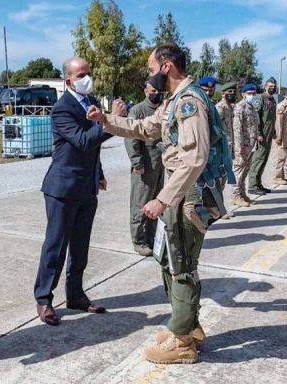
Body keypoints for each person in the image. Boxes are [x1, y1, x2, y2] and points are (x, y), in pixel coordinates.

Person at [87, 43, 234, 365]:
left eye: (152, 69)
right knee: (169, 259)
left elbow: (195, 159)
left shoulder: (189, 102)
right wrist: (106, 120)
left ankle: (182, 342)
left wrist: (162, 198)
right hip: (179, 191)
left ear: (166, 66)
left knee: (180, 264)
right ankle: (187, 326)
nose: (150, 76)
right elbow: (144, 128)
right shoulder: (174, 101)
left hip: (188, 196)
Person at [34, 57, 113, 327]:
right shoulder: (62, 109)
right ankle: (44, 298)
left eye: (89, 73)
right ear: (68, 80)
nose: (87, 78)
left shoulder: (92, 103)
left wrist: (98, 173)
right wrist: (110, 123)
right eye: (82, 74)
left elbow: (94, 148)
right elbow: (82, 140)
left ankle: (75, 294)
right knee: (56, 247)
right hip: (62, 189)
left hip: (86, 187)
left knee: (80, 247)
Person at [125, 81, 165, 256]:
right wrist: (137, 162)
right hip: (145, 164)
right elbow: (131, 137)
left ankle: (151, 238)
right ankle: (139, 240)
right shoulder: (138, 110)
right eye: (153, 90)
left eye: (159, 90)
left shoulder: (163, 109)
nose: (157, 93)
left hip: (161, 163)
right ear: (146, 91)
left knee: (156, 202)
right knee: (140, 203)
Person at [248, 77, 277, 196]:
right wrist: (259, 134)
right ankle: (252, 185)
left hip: (269, 134)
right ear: (265, 87)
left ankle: (259, 184)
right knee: (258, 159)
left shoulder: (272, 100)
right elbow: (256, 118)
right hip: (262, 136)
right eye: (270, 86)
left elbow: (271, 118)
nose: (272, 88)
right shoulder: (260, 98)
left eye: (274, 87)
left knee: (264, 160)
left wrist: (274, 131)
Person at [231, 84, 260, 206]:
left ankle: (242, 194)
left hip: (251, 144)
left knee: (245, 170)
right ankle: (235, 195)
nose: (252, 96)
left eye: (253, 93)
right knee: (239, 170)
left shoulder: (251, 107)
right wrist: (239, 146)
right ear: (243, 94)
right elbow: (237, 128)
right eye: (249, 93)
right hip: (243, 145)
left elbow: (254, 126)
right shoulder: (240, 107)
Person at [216, 81, 240, 215]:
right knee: (219, 179)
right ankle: (218, 209)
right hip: (221, 149)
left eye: (233, 92)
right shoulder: (220, 108)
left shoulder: (231, 108)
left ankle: (219, 207)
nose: (232, 94)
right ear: (223, 93)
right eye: (229, 92)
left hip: (229, 148)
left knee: (224, 177)